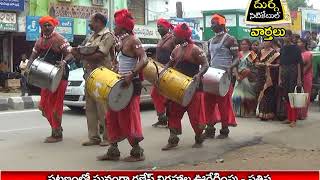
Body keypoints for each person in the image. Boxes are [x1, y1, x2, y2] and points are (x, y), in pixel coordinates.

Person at [97, 9, 147, 162]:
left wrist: (132, 73)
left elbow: (144, 60)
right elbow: (123, 61)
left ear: (123, 26)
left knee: (129, 118)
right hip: (119, 84)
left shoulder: (134, 40)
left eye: (116, 25)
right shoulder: (121, 41)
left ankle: (137, 152)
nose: (114, 27)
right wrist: (117, 67)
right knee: (111, 117)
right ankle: (113, 151)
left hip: (131, 84)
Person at [160, 23, 209, 150]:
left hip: (194, 88)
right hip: (177, 88)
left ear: (182, 37)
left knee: (195, 116)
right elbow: (169, 64)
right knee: (173, 113)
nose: (173, 37)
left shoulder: (195, 49)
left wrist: (199, 75)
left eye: (175, 35)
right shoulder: (176, 49)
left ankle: (199, 137)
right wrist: (162, 71)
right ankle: (173, 139)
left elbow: (205, 65)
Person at [27, 16, 73, 143]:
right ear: (41, 27)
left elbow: (71, 53)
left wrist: (64, 62)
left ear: (54, 26)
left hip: (60, 77)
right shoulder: (40, 41)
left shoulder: (59, 39)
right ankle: (56, 127)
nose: (47, 28)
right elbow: (32, 56)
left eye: (49, 25)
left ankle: (56, 133)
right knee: (44, 106)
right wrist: (28, 67)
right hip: (45, 77)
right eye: (44, 25)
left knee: (55, 107)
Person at [71, 13, 115, 147]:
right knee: (90, 107)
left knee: (103, 108)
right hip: (89, 75)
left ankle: (108, 137)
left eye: (92, 22)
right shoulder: (91, 36)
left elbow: (100, 54)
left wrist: (82, 56)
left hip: (102, 75)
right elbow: (82, 49)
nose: (90, 24)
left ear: (99, 22)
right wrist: (76, 52)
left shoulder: (108, 36)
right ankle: (94, 137)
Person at [204, 13, 238, 139]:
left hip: (223, 76)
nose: (211, 26)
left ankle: (224, 129)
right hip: (211, 75)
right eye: (211, 23)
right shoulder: (210, 41)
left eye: (214, 23)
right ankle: (210, 128)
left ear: (222, 24)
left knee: (223, 104)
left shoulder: (230, 39)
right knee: (208, 102)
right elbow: (208, 58)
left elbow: (236, 58)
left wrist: (230, 67)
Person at [151, 18, 175, 128]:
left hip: (170, 71)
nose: (159, 28)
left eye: (161, 26)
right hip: (160, 70)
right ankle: (161, 117)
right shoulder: (161, 39)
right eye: (158, 26)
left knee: (168, 97)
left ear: (167, 27)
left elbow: (176, 54)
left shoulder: (173, 38)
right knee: (155, 94)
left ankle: (171, 120)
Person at [279, 30, 303, 127]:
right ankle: (289, 118)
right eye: (284, 36)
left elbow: (298, 64)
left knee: (292, 96)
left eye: (287, 35)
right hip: (284, 72)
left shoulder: (296, 48)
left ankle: (294, 119)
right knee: (286, 95)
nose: (285, 37)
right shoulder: (283, 48)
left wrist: (299, 78)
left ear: (290, 37)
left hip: (293, 72)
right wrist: (280, 78)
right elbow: (281, 64)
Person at [232, 39, 258, 118]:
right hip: (239, 77)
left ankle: (248, 111)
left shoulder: (252, 54)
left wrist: (245, 74)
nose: (243, 46)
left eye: (245, 44)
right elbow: (234, 66)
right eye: (242, 44)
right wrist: (237, 76)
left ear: (249, 45)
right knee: (236, 95)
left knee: (248, 95)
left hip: (248, 77)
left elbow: (255, 66)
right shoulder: (238, 54)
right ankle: (237, 112)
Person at [256, 40, 280, 121]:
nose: (265, 43)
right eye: (264, 41)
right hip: (261, 74)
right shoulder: (260, 51)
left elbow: (279, 64)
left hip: (270, 74)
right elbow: (256, 62)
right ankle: (260, 112)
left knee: (268, 93)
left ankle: (268, 113)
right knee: (261, 91)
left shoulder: (275, 53)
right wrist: (260, 64)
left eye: (268, 41)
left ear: (271, 43)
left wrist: (271, 65)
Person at [297, 38, 313, 120]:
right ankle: (298, 113)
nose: (298, 43)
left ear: (304, 44)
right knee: (298, 93)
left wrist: (301, 74)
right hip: (298, 76)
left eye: (300, 42)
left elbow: (308, 65)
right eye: (298, 42)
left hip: (306, 76)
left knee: (306, 93)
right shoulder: (297, 53)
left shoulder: (308, 53)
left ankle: (303, 113)